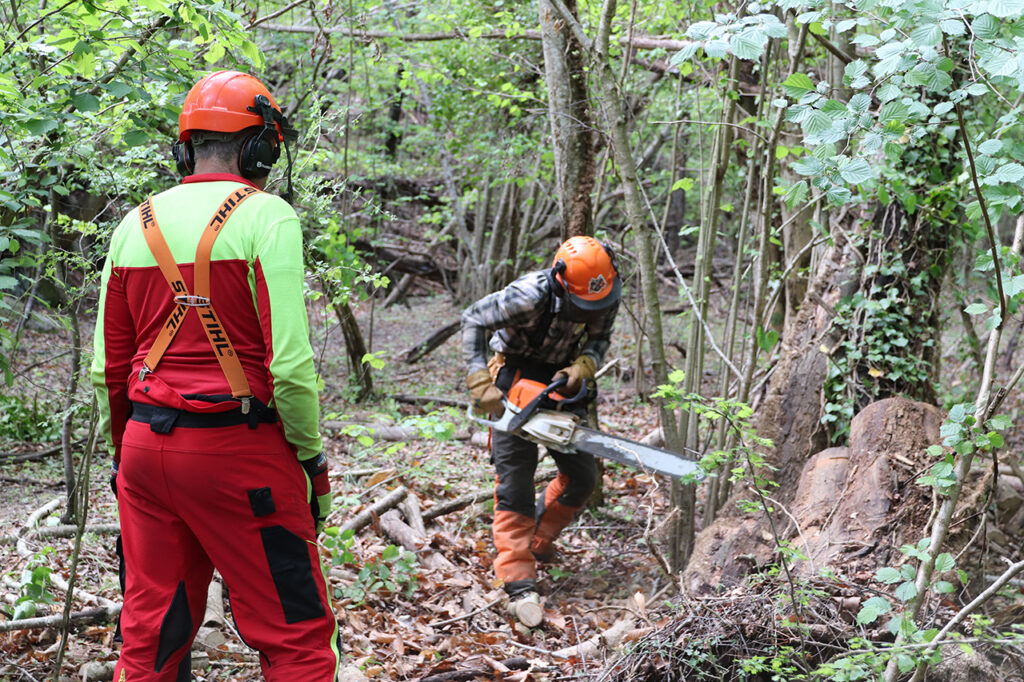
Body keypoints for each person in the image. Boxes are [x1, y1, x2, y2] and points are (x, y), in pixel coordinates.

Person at [91, 70, 339, 681]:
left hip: (147, 451)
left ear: (186, 147)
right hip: (242, 454)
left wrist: (126, 452)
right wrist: (308, 459)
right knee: (295, 638)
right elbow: (290, 366)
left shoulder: (132, 225)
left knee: (150, 635)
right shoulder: (267, 217)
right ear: (263, 146)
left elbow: (107, 368)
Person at [460, 235, 621, 626]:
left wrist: (585, 363)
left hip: (561, 381)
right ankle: (517, 576)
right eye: (582, 304)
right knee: (515, 481)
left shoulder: (604, 292)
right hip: (513, 376)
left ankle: (536, 542)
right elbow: (473, 319)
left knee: (582, 477)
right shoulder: (529, 295)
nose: (590, 311)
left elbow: (599, 337)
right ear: (561, 281)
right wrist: (479, 379)